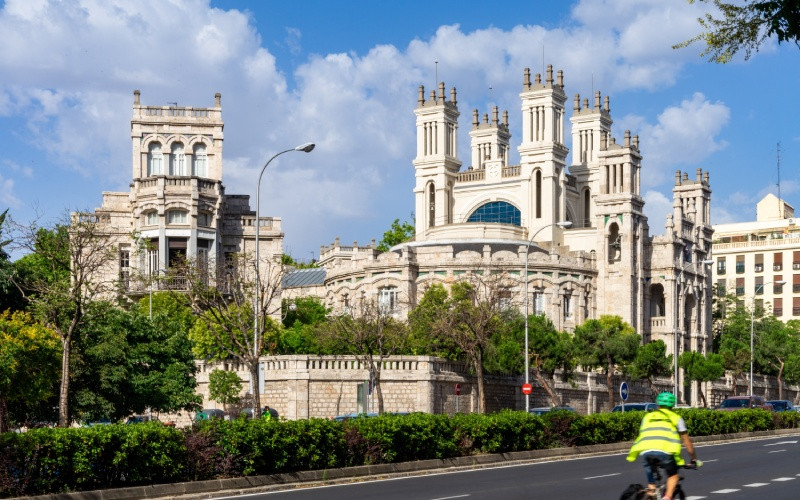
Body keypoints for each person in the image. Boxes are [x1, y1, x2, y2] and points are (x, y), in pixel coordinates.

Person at [626, 392, 699, 500]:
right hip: (664, 452)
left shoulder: (647, 417)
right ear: (673, 405)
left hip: (645, 451)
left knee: (652, 487)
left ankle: (650, 493)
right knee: (674, 476)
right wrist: (693, 459)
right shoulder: (676, 418)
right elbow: (686, 441)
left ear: (657, 404)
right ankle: (667, 497)